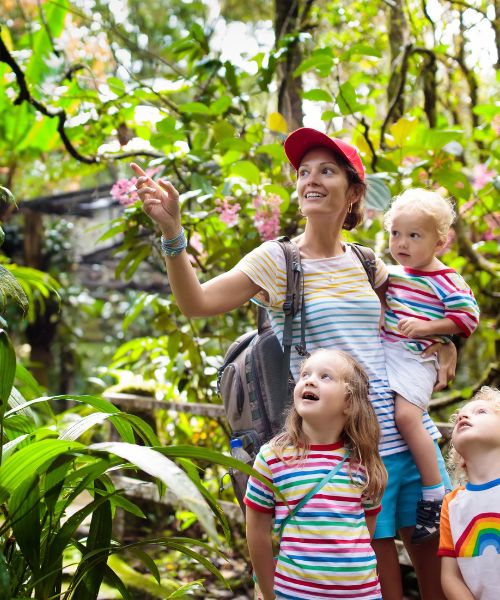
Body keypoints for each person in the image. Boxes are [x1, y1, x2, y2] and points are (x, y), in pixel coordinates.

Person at [130, 126, 457, 599]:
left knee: (441, 581)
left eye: (327, 170)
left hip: (411, 437)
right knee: (379, 588)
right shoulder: (277, 260)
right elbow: (196, 302)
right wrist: (172, 233)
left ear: (354, 192)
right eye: (304, 172)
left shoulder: (367, 263)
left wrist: (447, 342)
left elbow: (418, 314)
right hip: (355, 454)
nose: (312, 179)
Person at [244, 348, 387, 600]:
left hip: (361, 594)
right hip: (294, 594)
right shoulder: (273, 457)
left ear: (349, 403)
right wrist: (268, 593)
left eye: (326, 376)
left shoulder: (362, 461)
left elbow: (366, 530)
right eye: (305, 374)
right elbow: (256, 533)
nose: (309, 380)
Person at [381, 189, 480, 544]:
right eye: (396, 233)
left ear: (439, 243)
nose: (401, 243)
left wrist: (431, 330)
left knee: (407, 417)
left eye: (414, 235)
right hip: (390, 353)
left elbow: (468, 317)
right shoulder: (394, 272)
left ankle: (434, 493)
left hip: (417, 356)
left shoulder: (445, 279)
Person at [438, 386, 500, 600]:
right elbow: (450, 576)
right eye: (458, 419)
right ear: (459, 458)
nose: (463, 416)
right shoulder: (452, 504)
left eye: (481, 412)